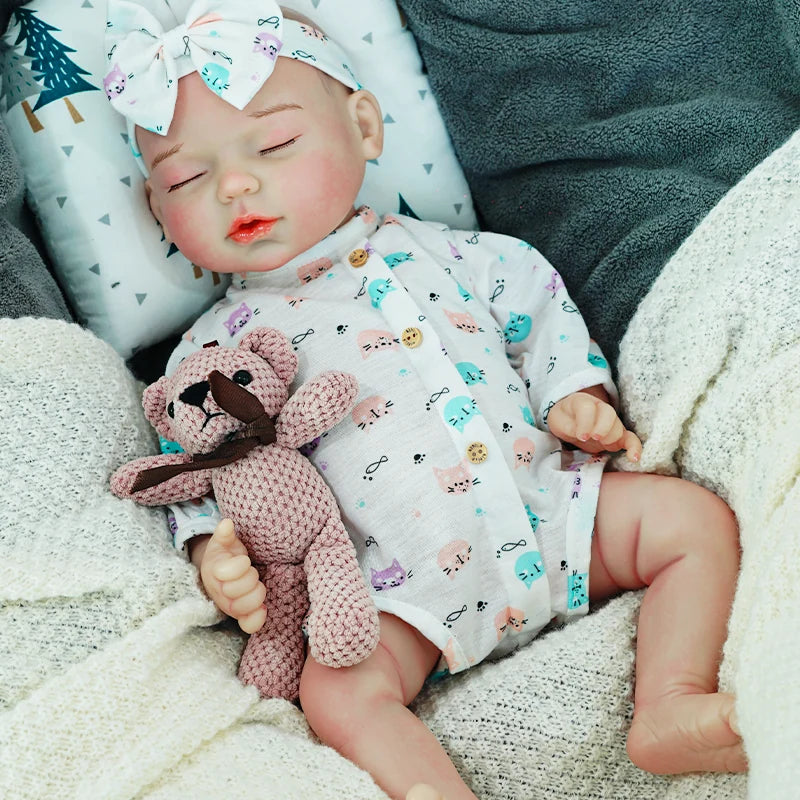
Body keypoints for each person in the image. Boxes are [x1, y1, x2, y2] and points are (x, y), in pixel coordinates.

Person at [105, 2, 745, 798]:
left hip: (557, 512)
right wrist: (211, 550)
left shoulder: (461, 253)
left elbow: (539, 313)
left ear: (365, 128)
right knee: (335, 690)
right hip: (406, 587)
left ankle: (669, 703)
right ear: (155, 212)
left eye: (274, 144)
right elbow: (199, 463)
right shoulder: (212, 350)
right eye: (187, 178)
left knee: (693, 521)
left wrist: (575, 392)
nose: (236, 184)